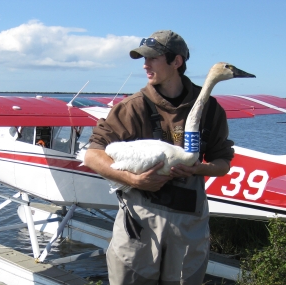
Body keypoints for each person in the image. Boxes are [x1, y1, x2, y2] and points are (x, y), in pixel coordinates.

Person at [84, 30, 234, 284]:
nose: (145, 65)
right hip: (139, 225)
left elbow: (222, 164)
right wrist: (133, 180)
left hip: (188, 225)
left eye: (153, 58)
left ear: (176, 62)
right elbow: (92, 155)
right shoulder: (132, 107)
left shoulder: (210, 109)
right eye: (144, 59)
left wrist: (198, 169)